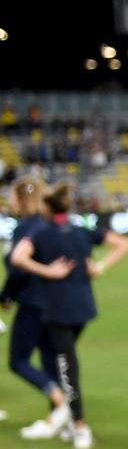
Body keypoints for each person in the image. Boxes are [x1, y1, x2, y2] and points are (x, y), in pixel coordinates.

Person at [9, 183, 128, 449]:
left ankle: (79, 425)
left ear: (46, 206)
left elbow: (18, 257)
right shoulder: (80, 231)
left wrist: (46, 271)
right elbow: (123, 244)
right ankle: (65, 420)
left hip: (58, 311)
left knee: (66, 367)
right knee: (56, 361)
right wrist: (99, 267)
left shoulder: (42, 233)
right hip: (83, 309)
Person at [2, 179, 64, 429]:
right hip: (53, 301)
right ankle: (62, 415)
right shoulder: (46, 225)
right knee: (50, 357)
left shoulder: (25, 228)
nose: (9, 201)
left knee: (18, 361)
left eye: (12, 197)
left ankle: (59, 401)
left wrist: (5, 295)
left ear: (21, 199)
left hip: (31, 300)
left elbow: (19, 269)